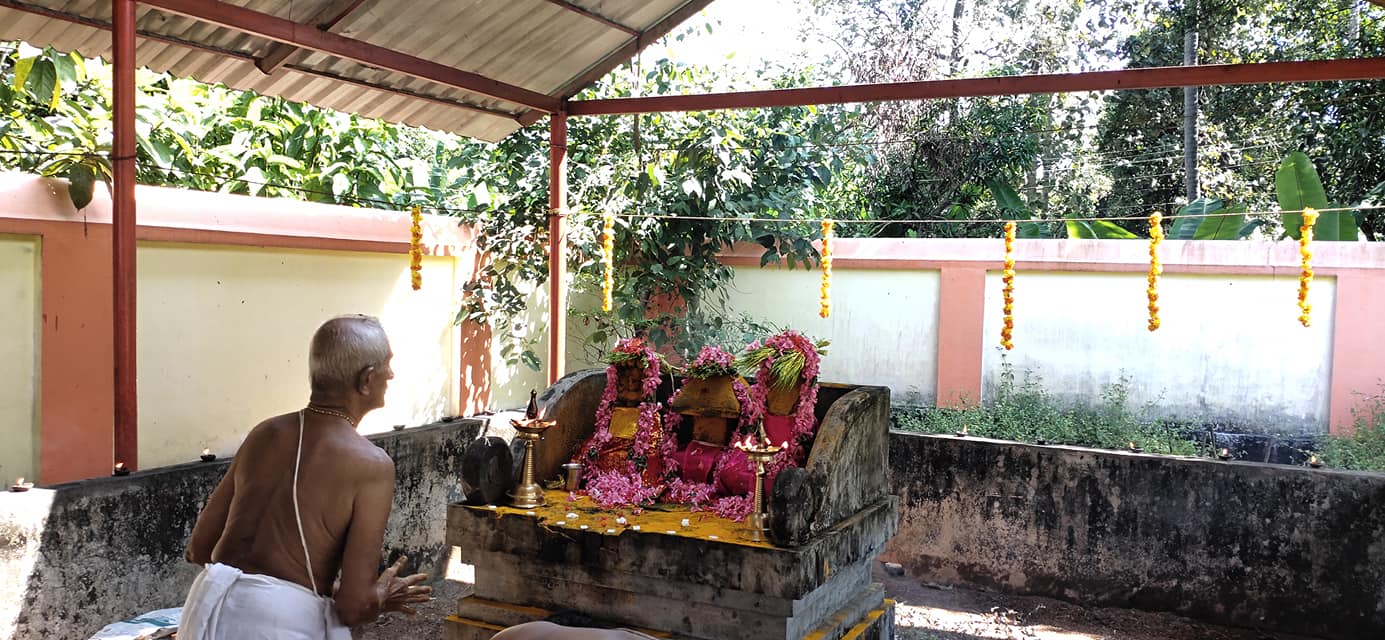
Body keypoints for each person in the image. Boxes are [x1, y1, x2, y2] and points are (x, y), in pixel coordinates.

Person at [179, 315, 431, 639]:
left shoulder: (265, 432)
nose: (392, 374)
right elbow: (352, 608)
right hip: (277, 625)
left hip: (206, 609)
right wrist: (380, 595)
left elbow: (200, 550)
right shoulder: (371, 464)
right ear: (366, 380)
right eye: (388, 364)